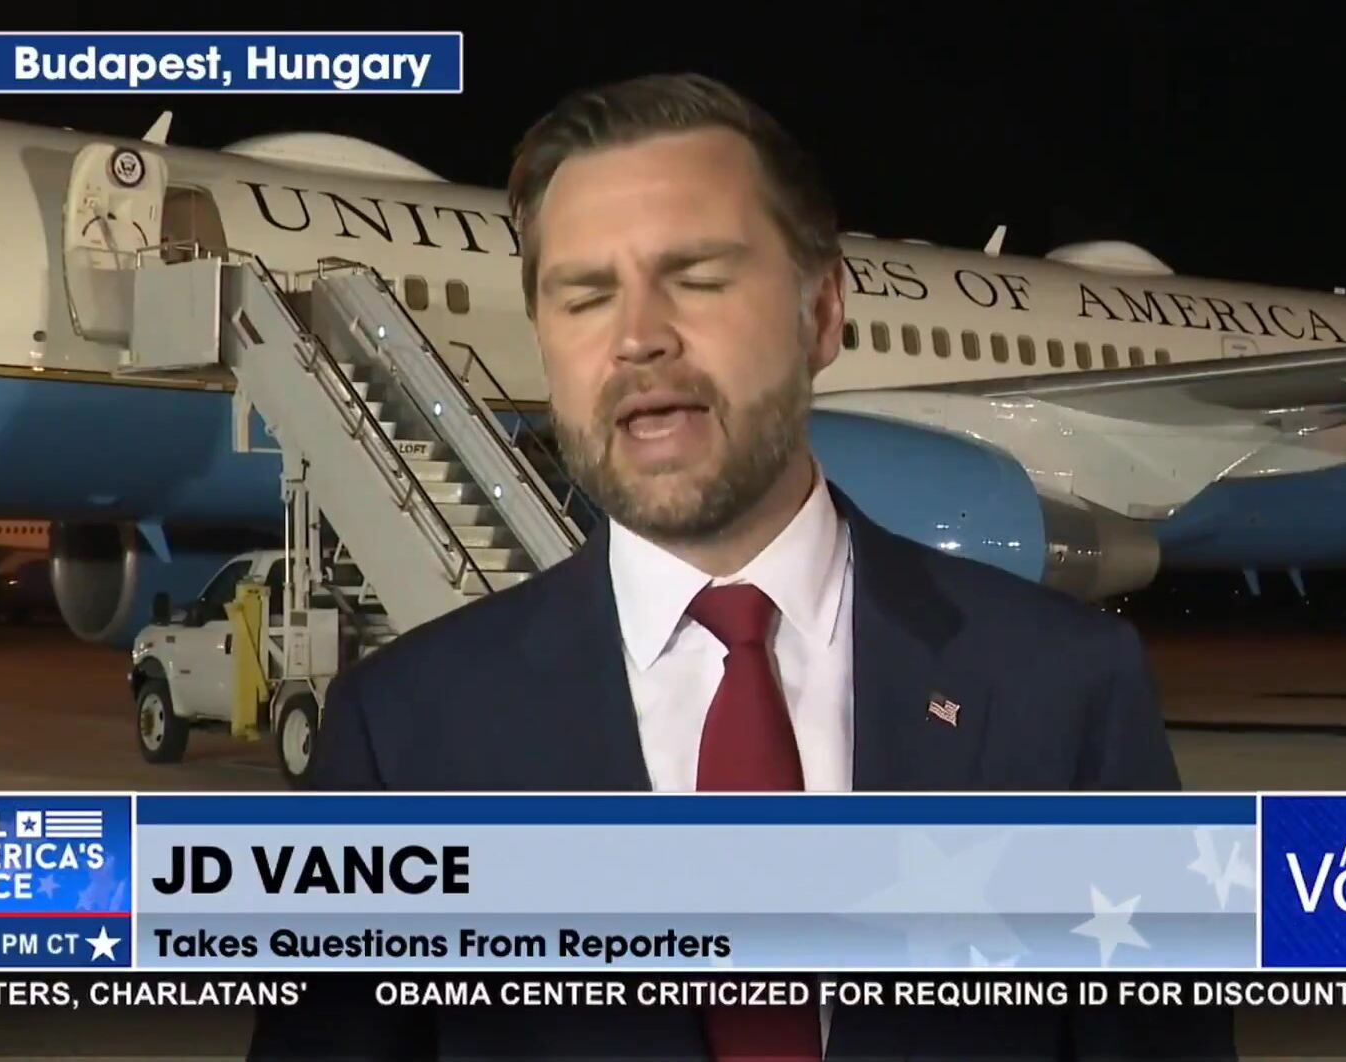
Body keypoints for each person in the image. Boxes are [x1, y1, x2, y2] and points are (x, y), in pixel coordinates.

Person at [249, 72, 1234, 1061]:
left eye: (699, 279)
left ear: (823, 314)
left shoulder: (1065, 690)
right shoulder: (404, 733)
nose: (638, 338)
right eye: (585, 296)